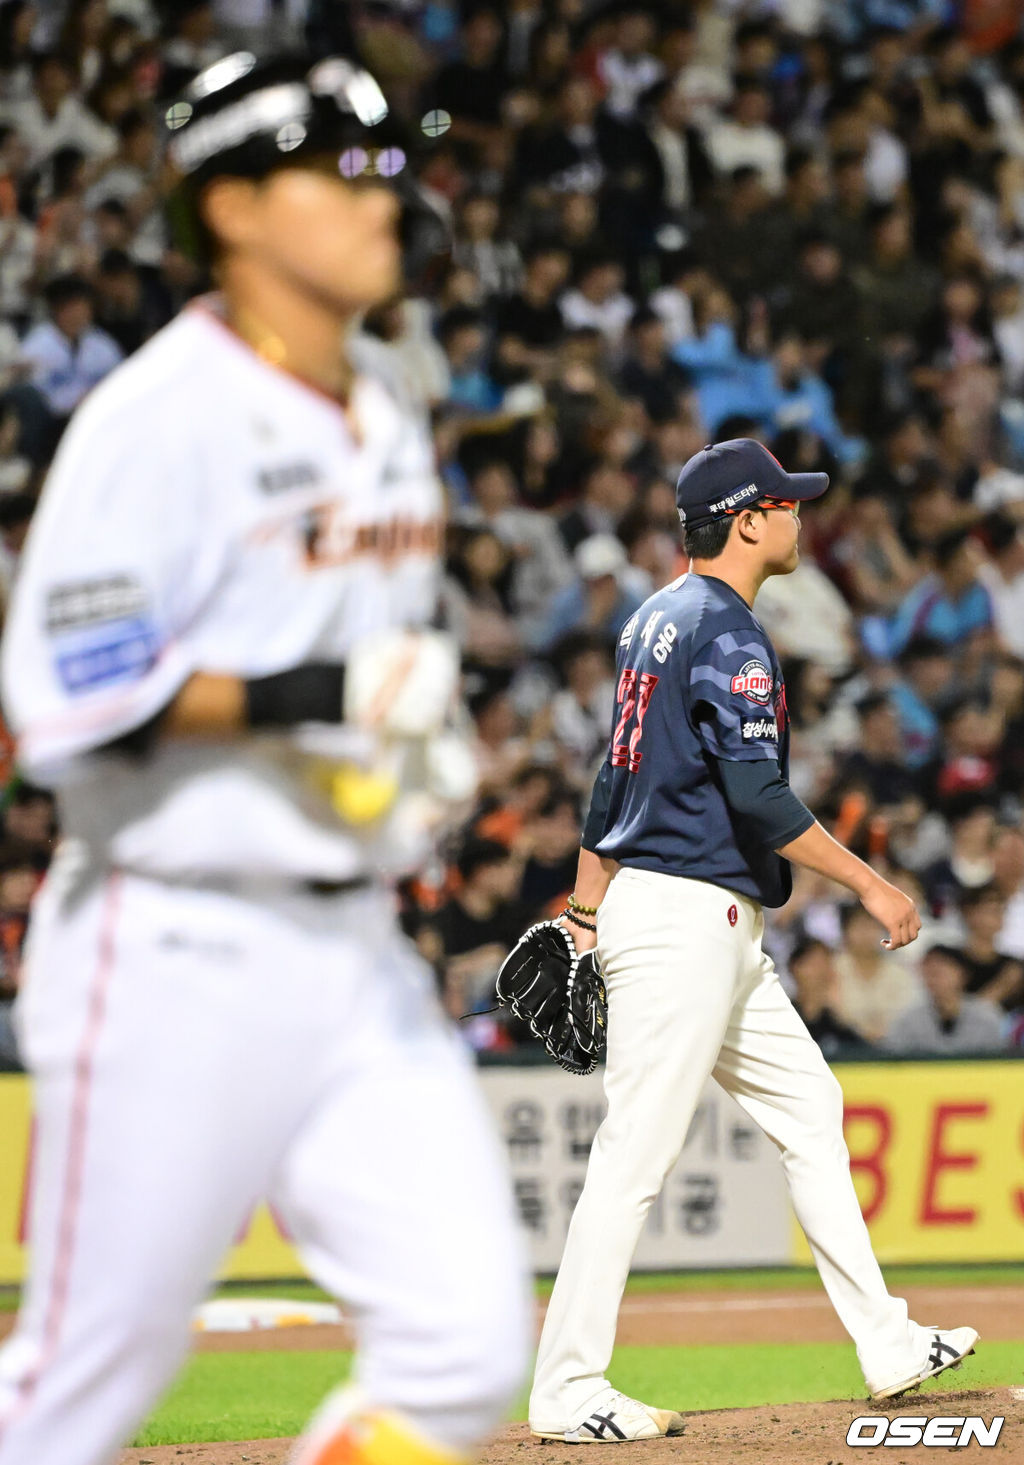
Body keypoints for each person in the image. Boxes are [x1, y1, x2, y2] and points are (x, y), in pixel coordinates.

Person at [0, 53, 527, 1465]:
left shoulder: (388, 408)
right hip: (174, 936)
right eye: (338, 168)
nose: (382, 196)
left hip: (351, 945)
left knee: (466, 1344)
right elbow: (74, 693)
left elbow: (362, 682)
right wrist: (326, 688)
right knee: (74, 1387)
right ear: (230, 204)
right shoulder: (156, 419)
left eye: (384, 164)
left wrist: (394, 754)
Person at [528, 438, 977, 1444]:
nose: (798, 516)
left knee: (810, 1106)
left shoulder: (651, 618)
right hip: (688, 915)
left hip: (695, 917)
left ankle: (887, 1341)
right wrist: (869, 882)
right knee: (635, 1150)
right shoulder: (726, 630)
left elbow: (615, 774)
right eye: (785, 503)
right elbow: (754, 791)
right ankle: (565, 1385)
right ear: (745, 520)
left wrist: (586, 905)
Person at [882, 944, 1006, 1055]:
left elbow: (1000, 1057)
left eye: (942, 971)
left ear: (963, 974)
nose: (934, 977)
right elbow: (893, 1056)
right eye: (929, 971)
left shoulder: (987, 1015)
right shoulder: (908, 1018)